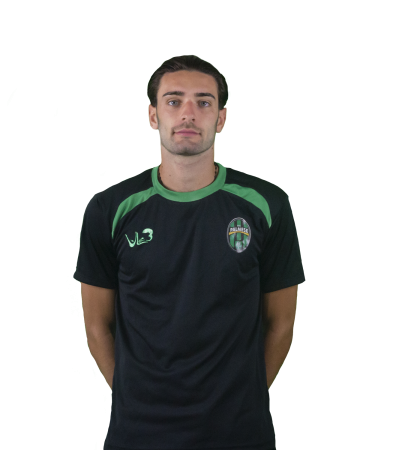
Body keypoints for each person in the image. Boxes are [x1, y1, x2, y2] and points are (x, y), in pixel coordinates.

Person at [73, 54, 305, 450]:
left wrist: (246, 396)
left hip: (240, 434)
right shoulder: (109, 208)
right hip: (138, 435)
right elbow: (96, 326)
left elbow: (281, 322)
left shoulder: (267, 203)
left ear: (221, 119)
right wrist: (132, 396)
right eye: (174, 100)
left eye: (204, 101)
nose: (188, 113)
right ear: (153, 116)